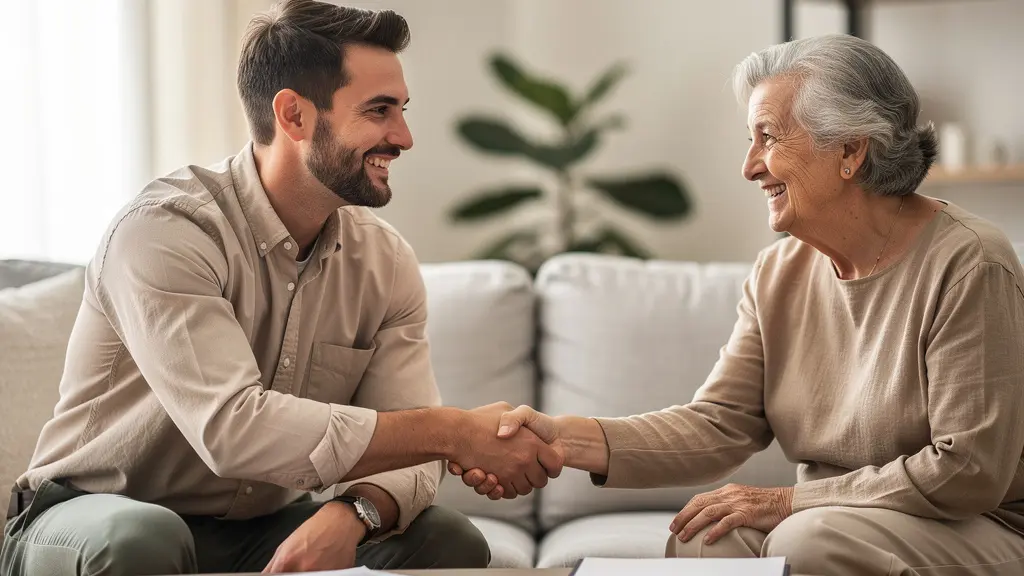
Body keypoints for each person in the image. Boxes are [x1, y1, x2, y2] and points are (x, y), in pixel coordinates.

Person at [1, 1, 562, 575]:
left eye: (402, 110)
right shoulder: (166, 232)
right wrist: (450, 431)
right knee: (141, 537)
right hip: (88, 519)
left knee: (444, 538)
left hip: (252, 530)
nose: (404, 137)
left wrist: (358, 511)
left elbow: (412, 455)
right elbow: (233, 429)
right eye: (379, 110)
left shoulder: (385, 261)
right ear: (294, 115)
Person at [451, 34, 1024, 575]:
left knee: (808, 540)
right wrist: (563, 439)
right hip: (832, 516)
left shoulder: (971, 263)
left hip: (969, 525)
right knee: (708, 533)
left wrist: (791, 500)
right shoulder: (779, 273)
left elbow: (967, 471)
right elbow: (718, 426)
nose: (749, 165)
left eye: (768, 138)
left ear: (850, 150)